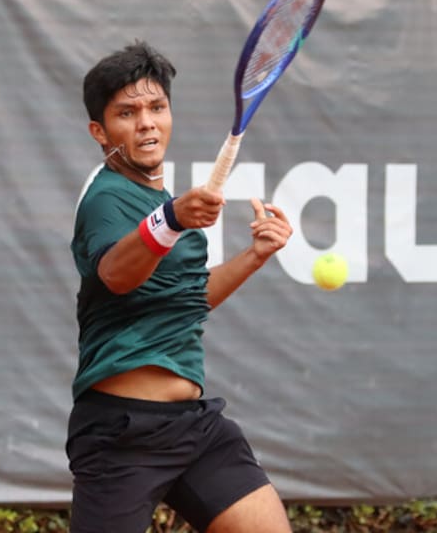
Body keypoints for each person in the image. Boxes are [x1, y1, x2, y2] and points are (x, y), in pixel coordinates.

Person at [67, 40, 293, 533]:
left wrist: (254, 256)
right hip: (122, 433)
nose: (146, 123)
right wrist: (169, 220)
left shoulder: (163, 203)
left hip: (194, 427)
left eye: (157, 107)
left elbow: (187, 300)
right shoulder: (106, 199)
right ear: (99, 131)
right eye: (127, 113)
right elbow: (116, 275)